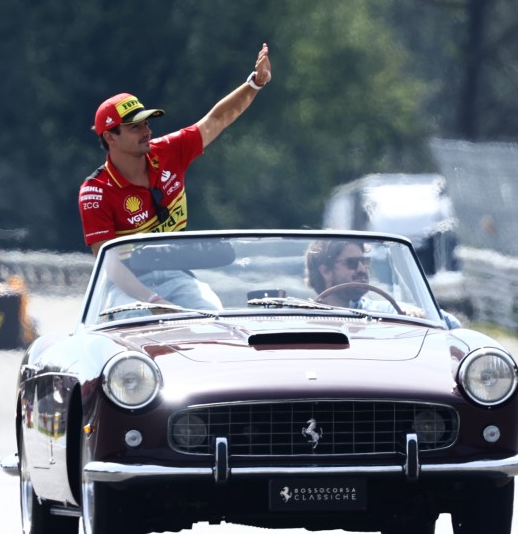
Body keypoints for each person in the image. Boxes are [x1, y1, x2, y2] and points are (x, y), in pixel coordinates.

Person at [78, 44, 271, 309]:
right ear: (110, 137)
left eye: (147, 123)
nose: (146, 131)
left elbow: (217, 119)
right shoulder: (95, 190)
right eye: (135, 127)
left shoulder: (169, 150)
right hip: (125, 286)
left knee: (211, 313)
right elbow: (109, 264)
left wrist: (255, 83)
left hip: (176, 276)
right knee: (133, 322)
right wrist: (152, 300)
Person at [304, 238, 460, 327]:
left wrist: (419, 316)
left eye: (364, 261)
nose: (361, 269)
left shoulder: (382, 311)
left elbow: (451, 323)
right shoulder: (301, 318)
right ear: (325, 271)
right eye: (352, 263)